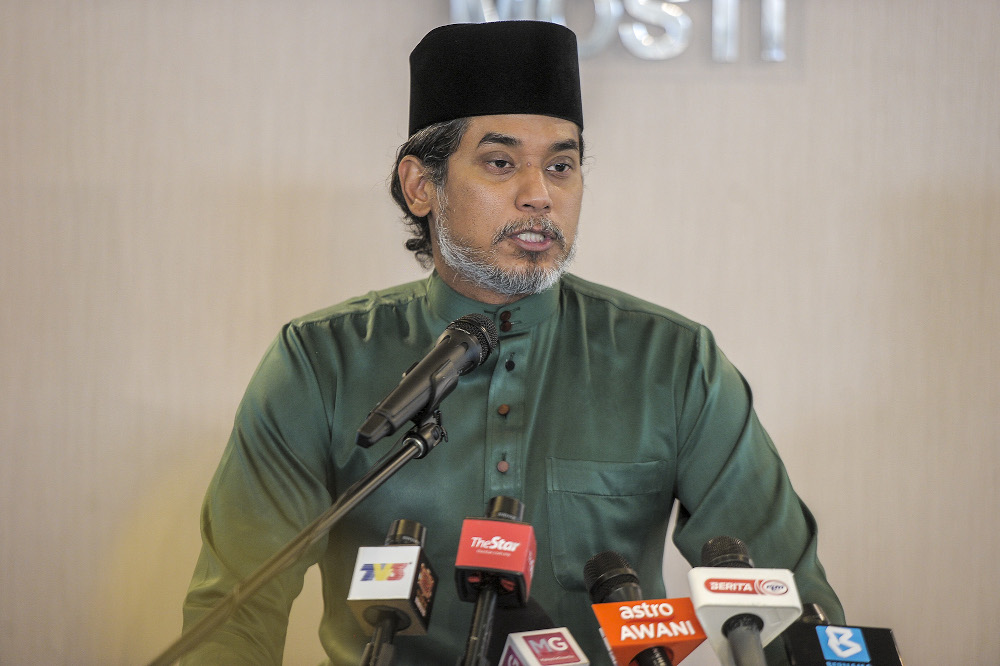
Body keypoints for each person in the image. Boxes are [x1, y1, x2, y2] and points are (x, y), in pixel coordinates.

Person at [181, 20, 843, 665]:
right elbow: (236, 613)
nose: (539, 195)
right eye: (501, 163)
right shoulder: (319, 362)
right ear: (421, 186)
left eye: (562, 166)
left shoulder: (673, 364)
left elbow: (791, 606)